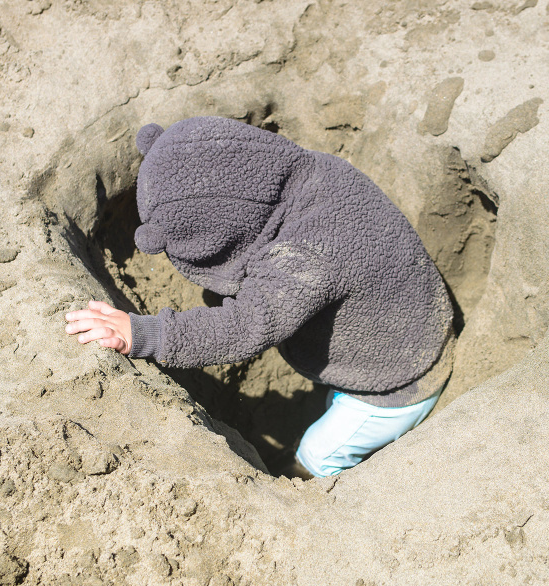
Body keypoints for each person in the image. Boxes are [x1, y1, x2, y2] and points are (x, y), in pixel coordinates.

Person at [65, 116, 454, 478]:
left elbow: (243, 326)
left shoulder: (306, 256)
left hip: (397, 383)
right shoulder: (318, 172)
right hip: (412, 320)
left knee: (318, 455)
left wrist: (145, 333)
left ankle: (309, 482)